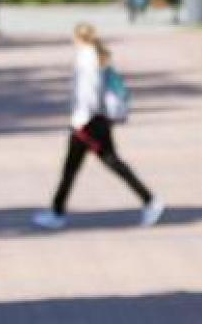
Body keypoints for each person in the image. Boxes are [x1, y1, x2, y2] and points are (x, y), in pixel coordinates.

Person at [34, 23, 165, 230]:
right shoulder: (96, 55)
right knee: (78, 167)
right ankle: (57, 210)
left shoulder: (86, 57)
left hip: (88, 122)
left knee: (102, 164)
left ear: (79, 38)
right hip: (93, 120)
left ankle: (149, 200)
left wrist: (82, 120)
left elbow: (88, 93)